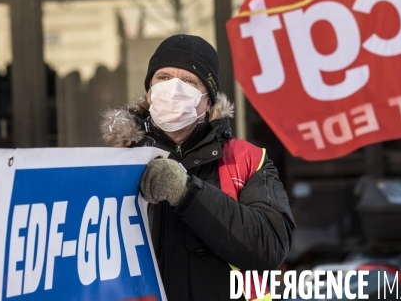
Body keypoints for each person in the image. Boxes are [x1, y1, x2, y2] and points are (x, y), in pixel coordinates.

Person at [101, 34, 295, 300]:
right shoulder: (115, 161)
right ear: (149, 91)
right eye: (164, 78)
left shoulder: (246, 159)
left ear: (208, 102)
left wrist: (187, 192)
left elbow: (268, 248)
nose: (174, 89)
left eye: (190, 81)